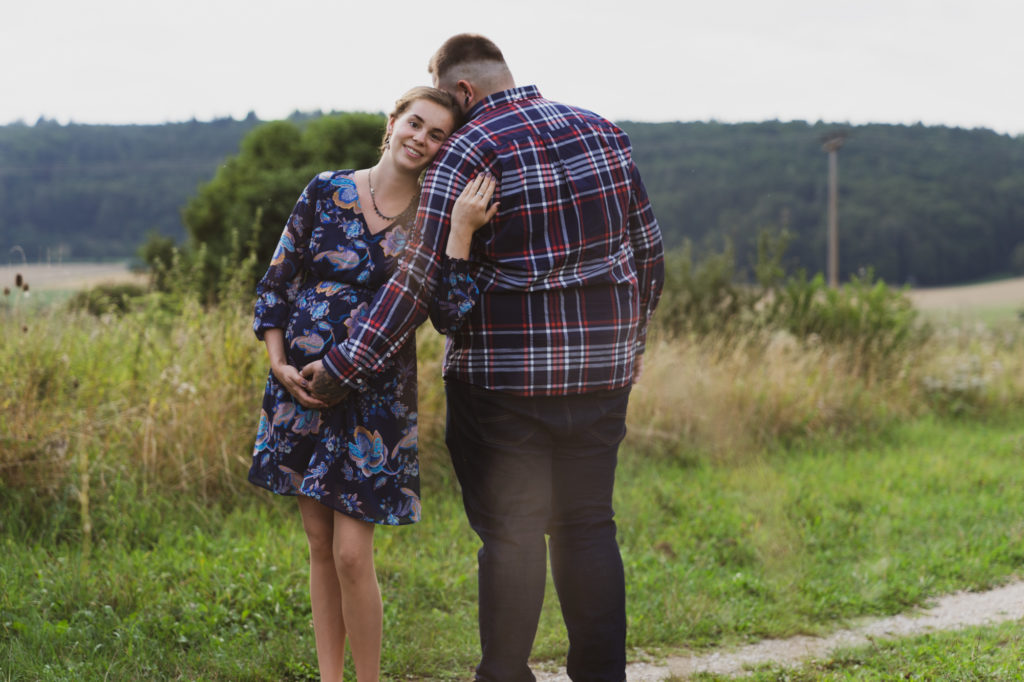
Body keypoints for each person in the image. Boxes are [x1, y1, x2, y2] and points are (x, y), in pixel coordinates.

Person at [303, 34, 665, 681]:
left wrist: (340, 370)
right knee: (588, 528)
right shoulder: (604, 133)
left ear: (463, 92)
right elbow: (650, 256)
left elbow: (415, 284)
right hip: (602, 380)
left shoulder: (469, 153)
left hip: (503, 391)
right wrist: (624, 347)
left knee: (512, 536)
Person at [247, 85, 496, 682]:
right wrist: (277, 362)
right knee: (317, 543)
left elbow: (452, 316)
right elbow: (277, 281)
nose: (422, 139)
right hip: (299, 387)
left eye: (438, 135)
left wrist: (461, 232)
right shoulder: (326, 189)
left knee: (353, 555)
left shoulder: (434, 219)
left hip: (374, 399)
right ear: (393, 122)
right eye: (416, 123)